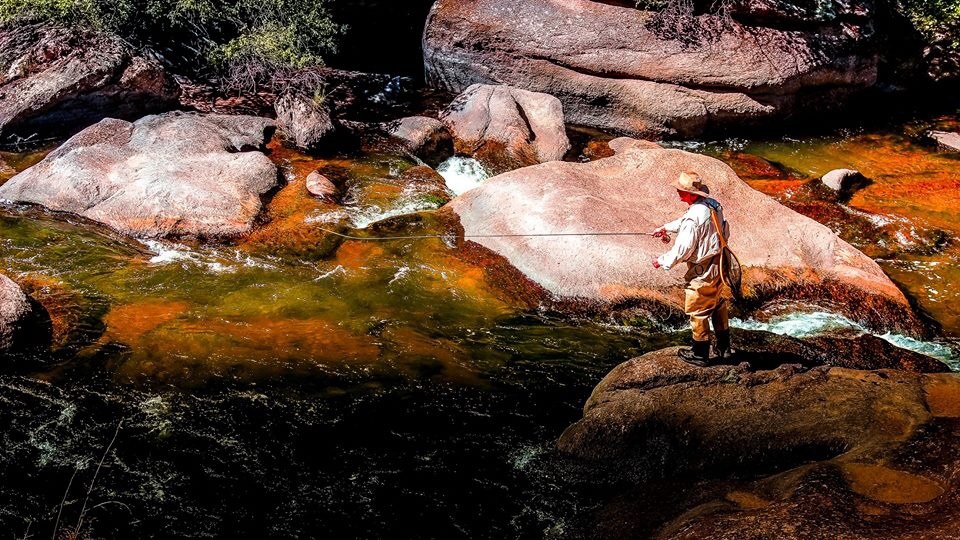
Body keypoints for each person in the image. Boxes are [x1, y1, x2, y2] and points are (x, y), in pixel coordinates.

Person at [652, 171, 731, 366]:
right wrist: (666, 227)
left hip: (703, 269)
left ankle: (700, 354)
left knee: (698, 310)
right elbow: (688, 223)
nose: (678, 192)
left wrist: (662, 261)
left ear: (689, 193)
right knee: (718, 303)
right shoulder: (712, 204)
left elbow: (683, 250)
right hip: (721, 262)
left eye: (680, 190)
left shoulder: (694, 217)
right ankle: (724, 348)